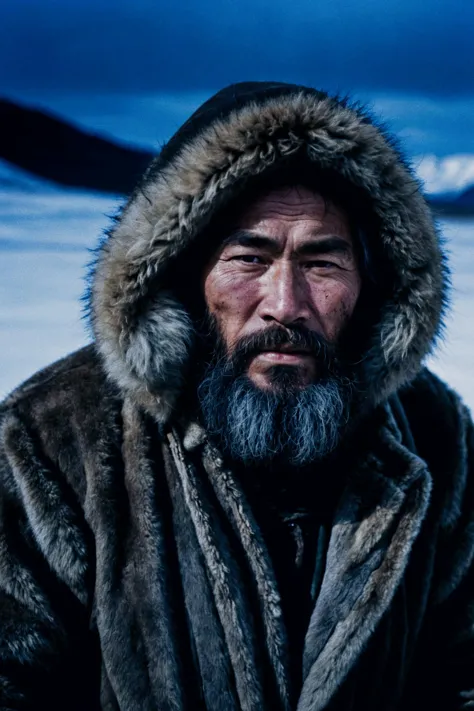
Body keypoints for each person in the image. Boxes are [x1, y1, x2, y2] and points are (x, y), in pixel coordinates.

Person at [0, 81, 473, 711]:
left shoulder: (433, 434)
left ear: (371, 286)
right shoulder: (53, 440)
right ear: (185, 275)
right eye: (248, 258)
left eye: (322, 263)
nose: (285, 305)